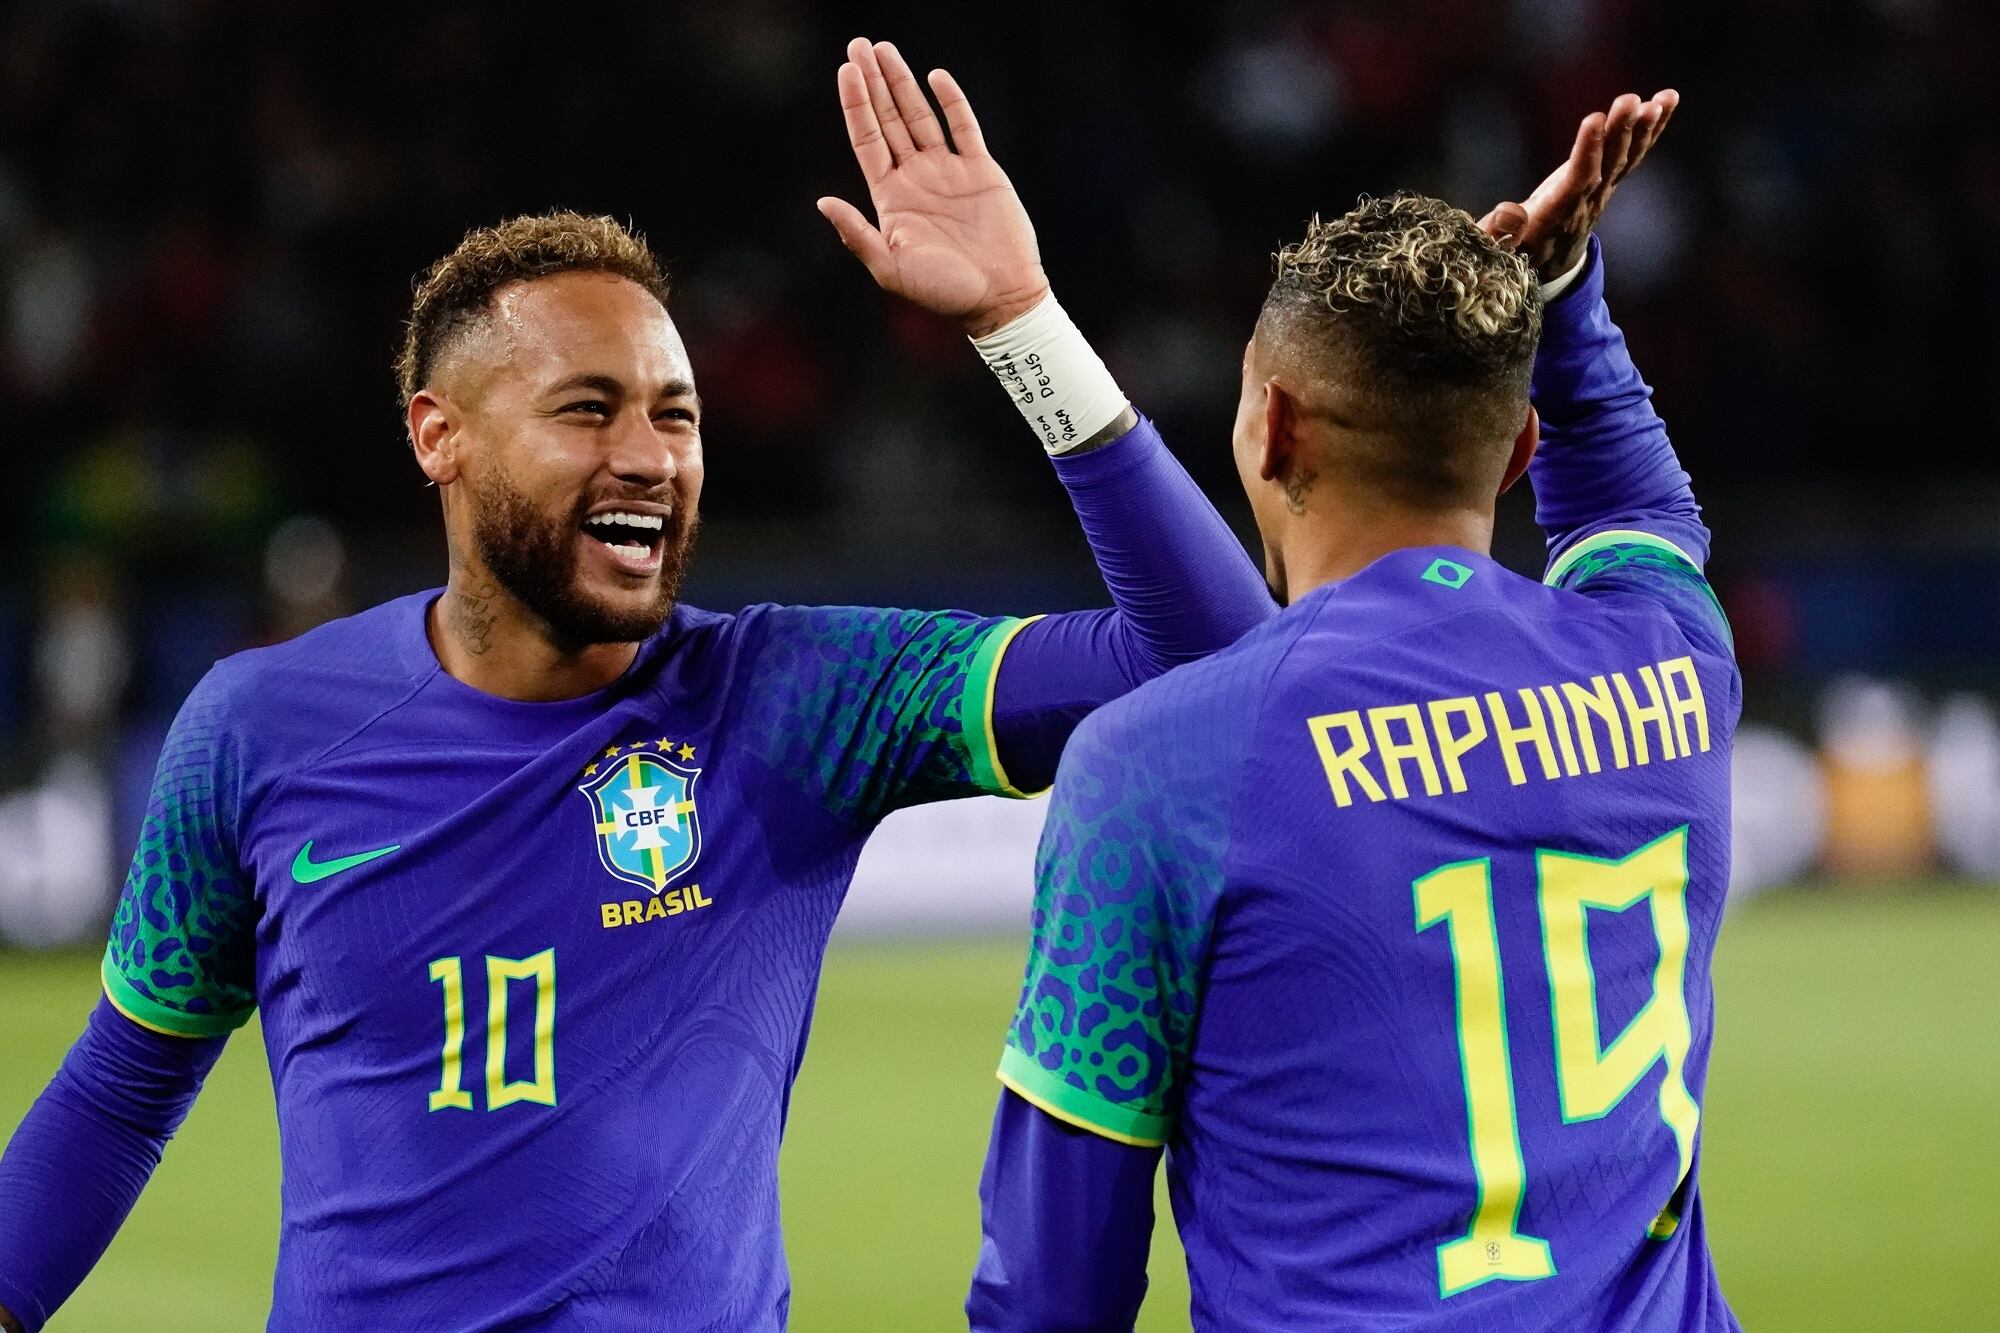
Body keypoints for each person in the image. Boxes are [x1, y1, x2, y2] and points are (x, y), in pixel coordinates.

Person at [0, 39, 1275, 1332]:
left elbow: (1217, 657)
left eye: (676, 414)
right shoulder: (258, 730)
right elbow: (120, 1088)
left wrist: (1021, 325)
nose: (650, 456)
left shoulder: (794, 698)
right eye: (587, 409)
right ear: (440, 436)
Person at [972, 92, 1744, 1331]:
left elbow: (1057, 1281)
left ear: (1271, 427)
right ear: (1516, 452)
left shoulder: (1157, 762)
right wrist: (1562, 297)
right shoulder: (1671, 668)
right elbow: (1639, 515)